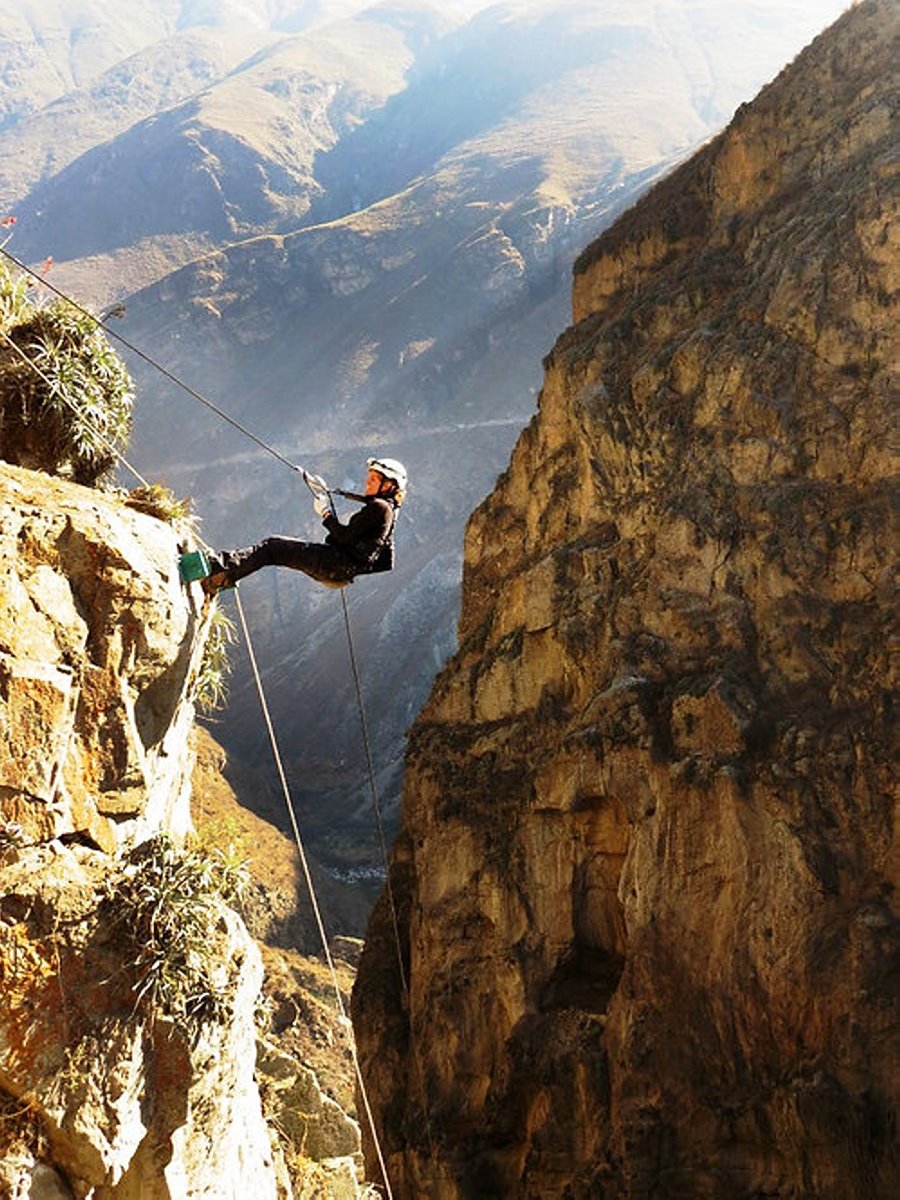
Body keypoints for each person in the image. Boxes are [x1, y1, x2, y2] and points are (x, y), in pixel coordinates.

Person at [201, 457, 407, 594]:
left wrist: (326, 514)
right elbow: (372, 552)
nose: (367, 482)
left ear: (388, 485)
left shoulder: (380, 508)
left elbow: (344, 536)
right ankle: (221, 577)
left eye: (373, 479)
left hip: (335, 563)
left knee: (272, 548)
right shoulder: (387, 509)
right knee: (273, 551)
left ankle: (215, 568)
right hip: (339, 568)